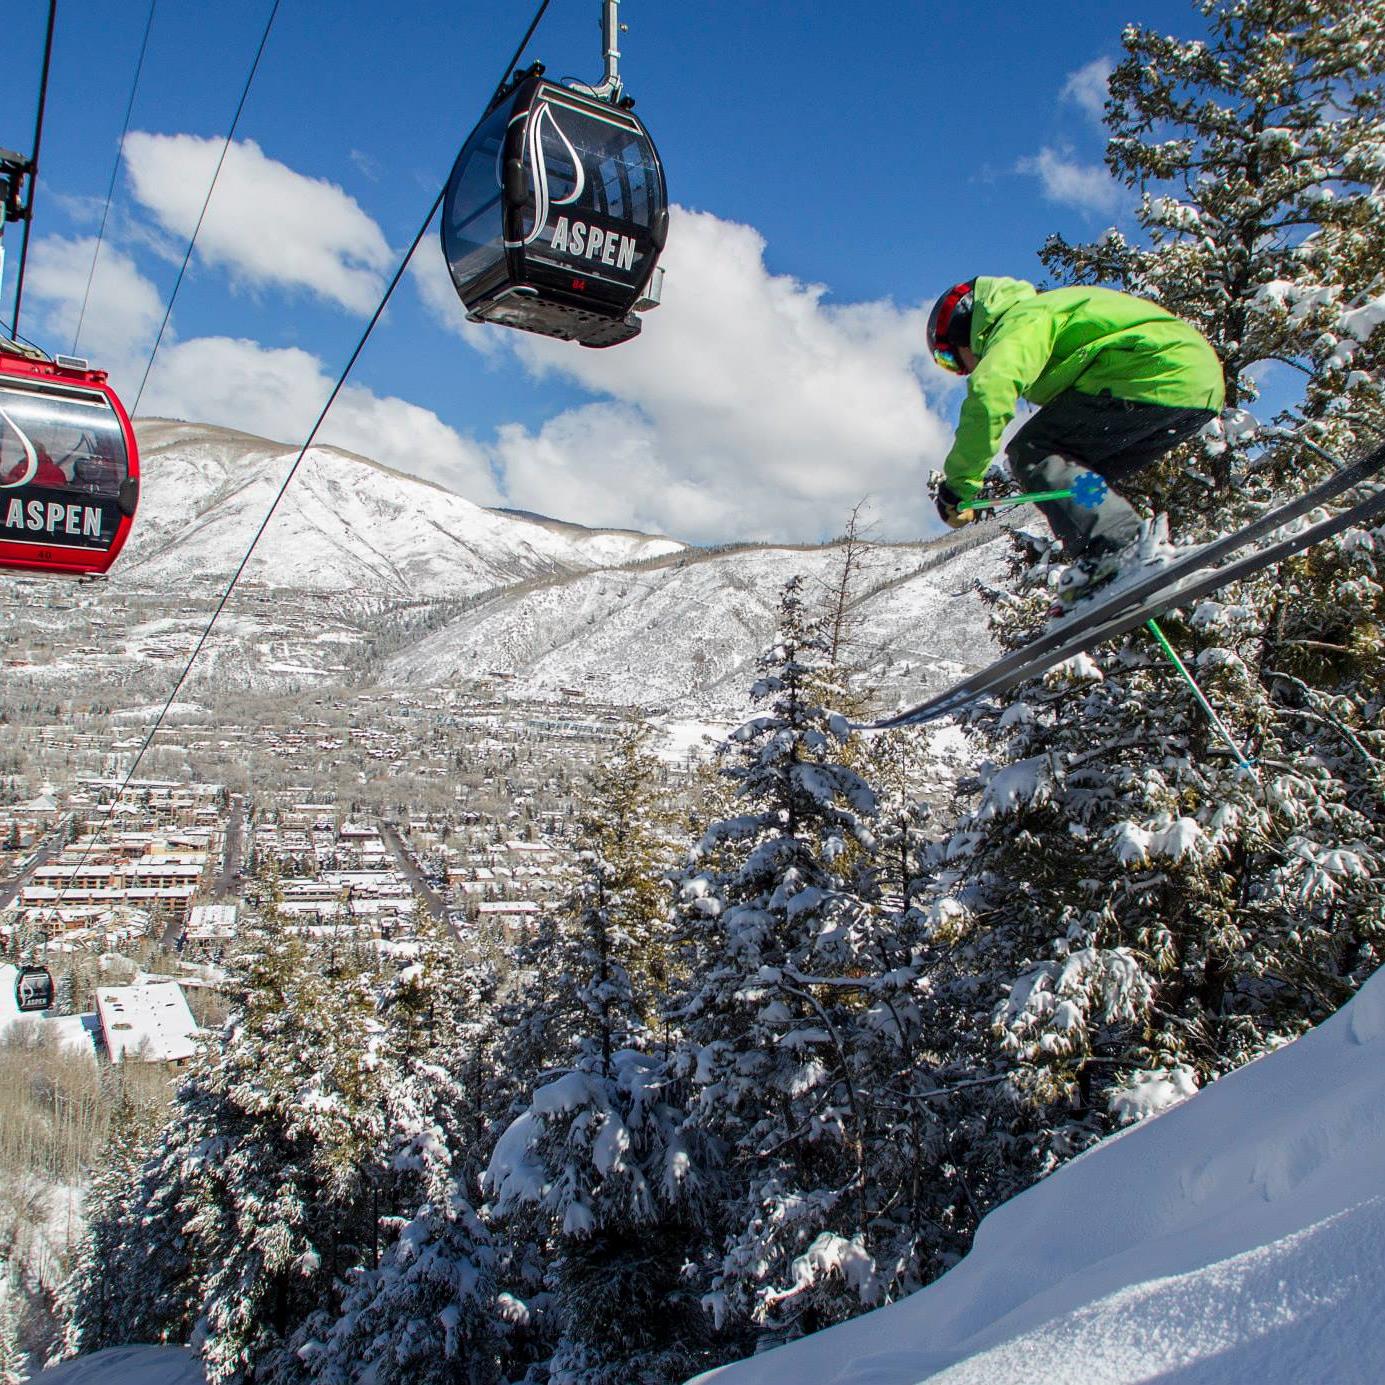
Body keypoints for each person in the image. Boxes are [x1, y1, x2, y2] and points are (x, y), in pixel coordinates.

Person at [927, 276, 1225, 603]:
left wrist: (959, 485)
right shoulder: (1047, 310)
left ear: (963, 330)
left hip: (1152, 371)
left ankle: (1120, 549)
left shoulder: (1021, 317)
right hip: (1196, 392)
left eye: (950, 359)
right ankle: (1115, 560)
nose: (961, 370)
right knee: (1072, 476)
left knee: (1033, 453)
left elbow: (989, 393)